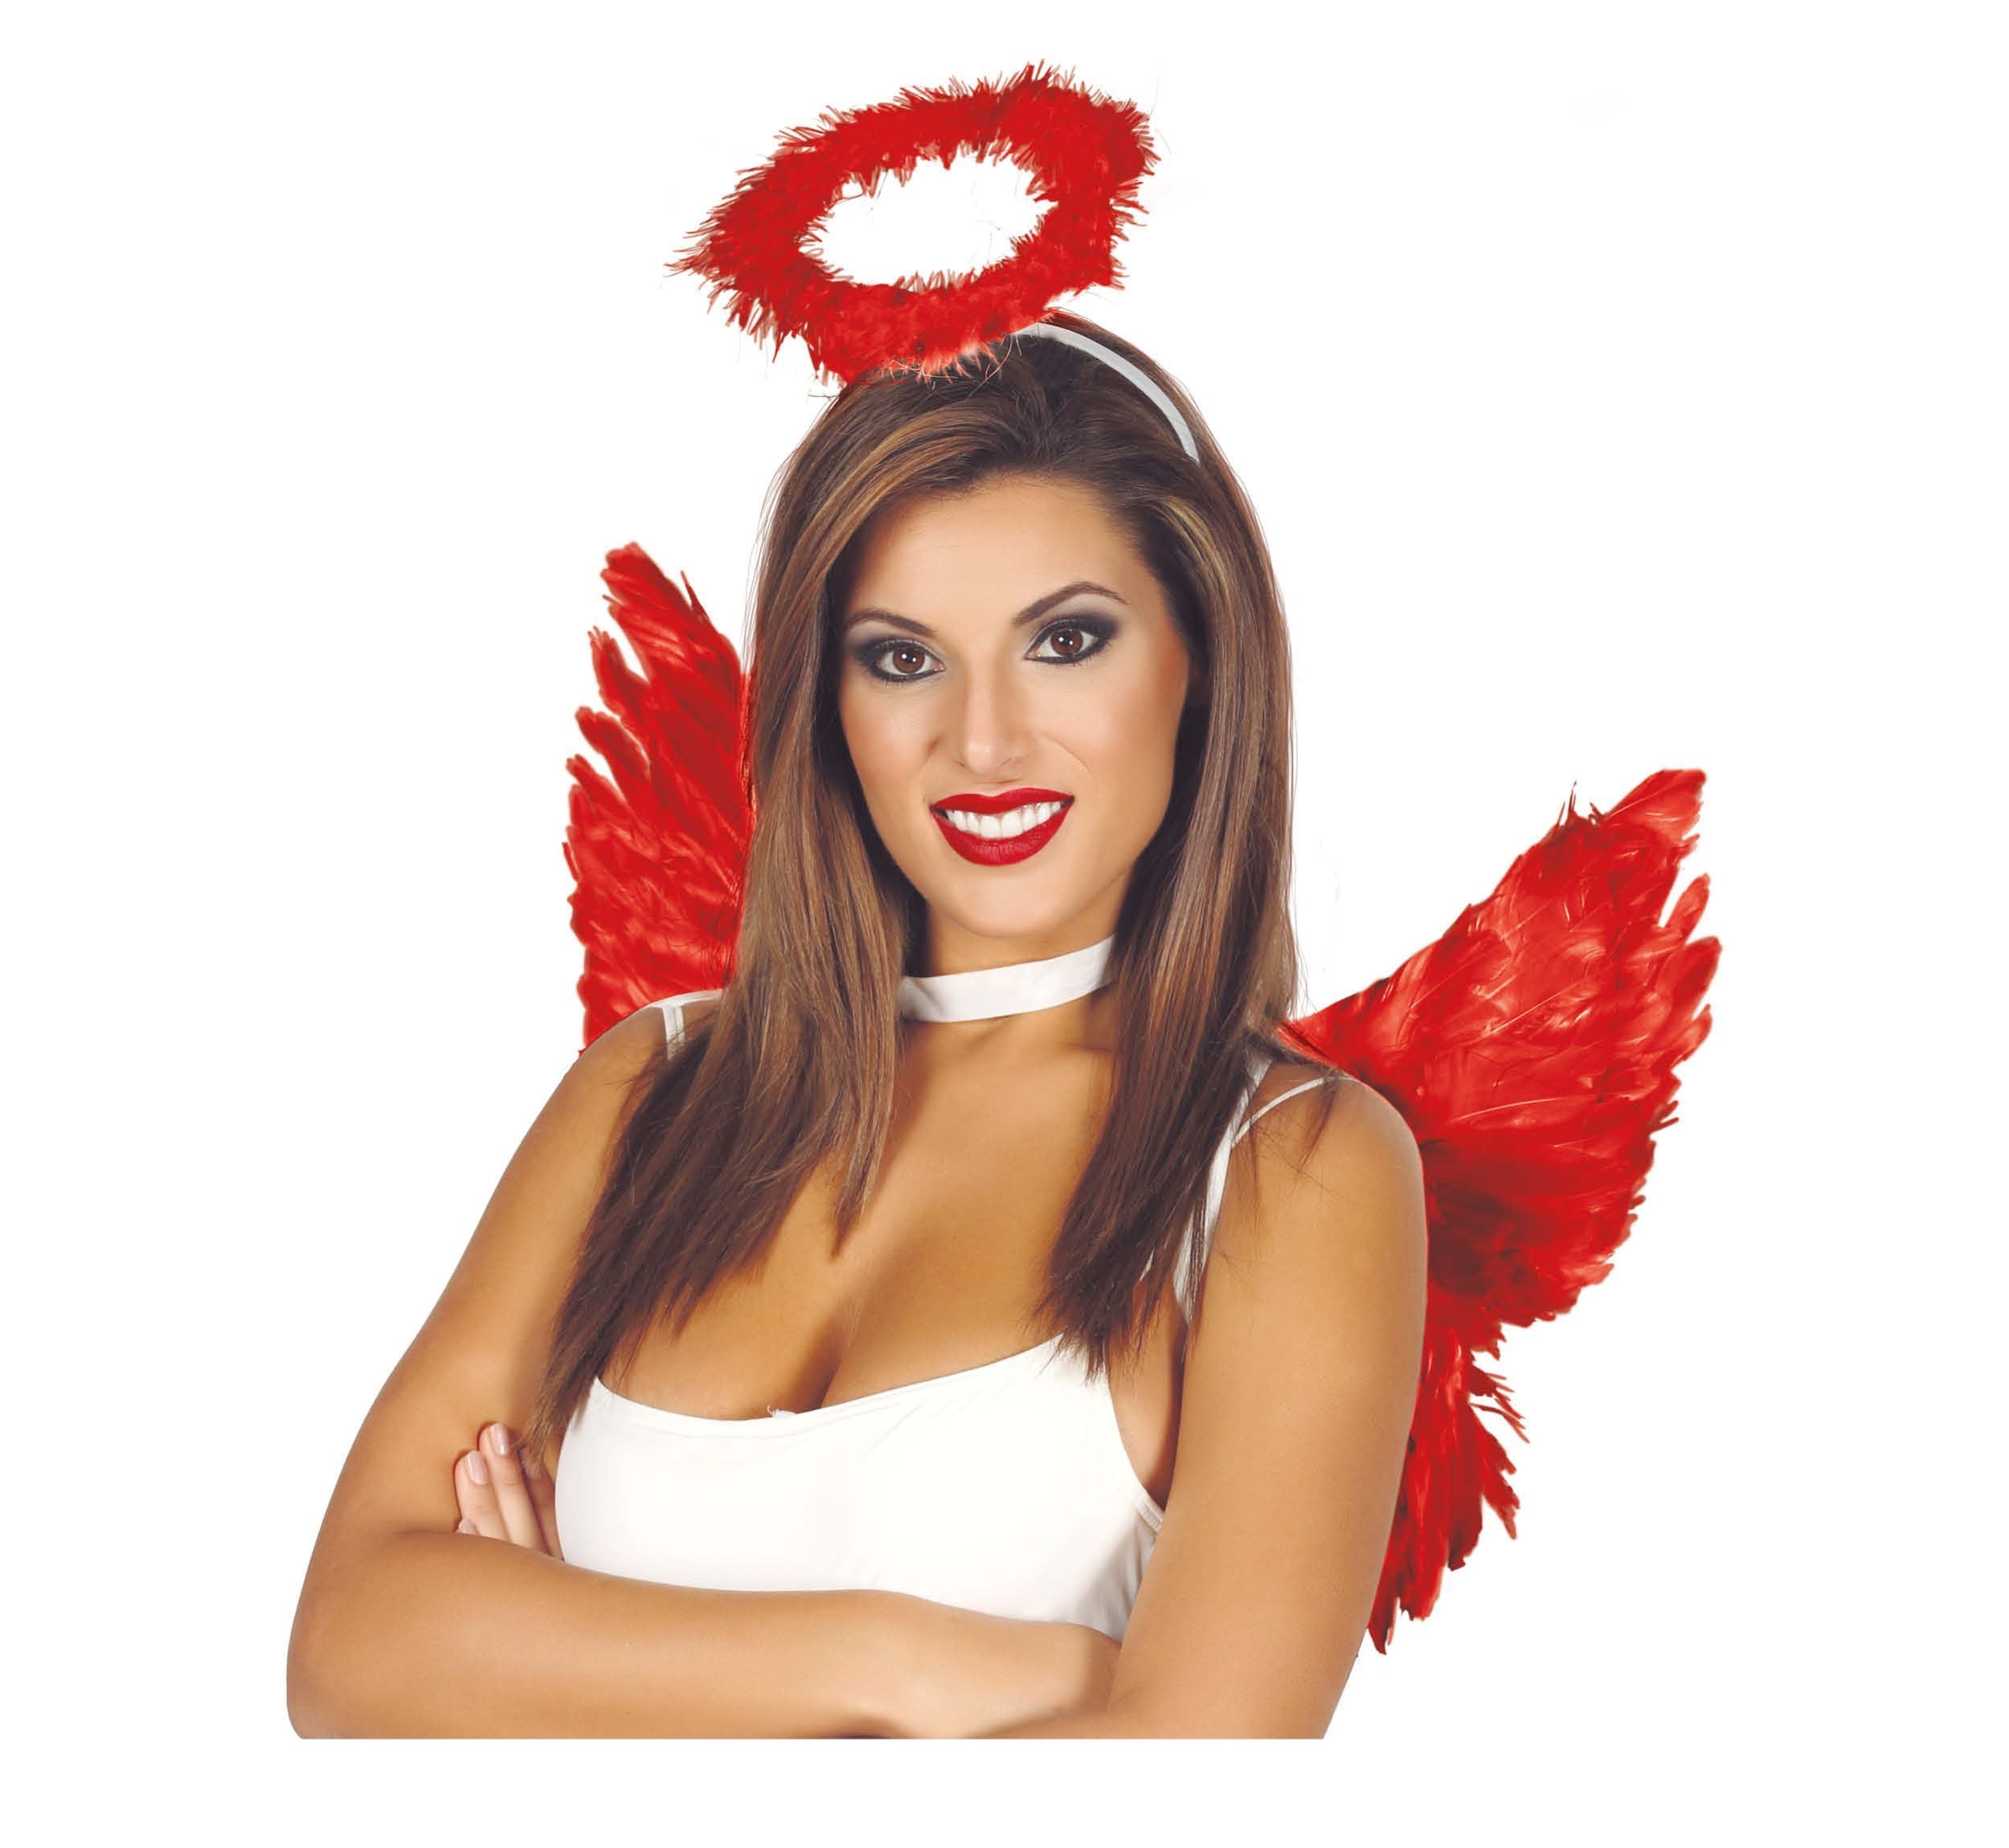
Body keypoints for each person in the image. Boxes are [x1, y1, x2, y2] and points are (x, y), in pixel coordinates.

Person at [285, 313, 1431, 1738]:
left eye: (1066, 641)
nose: (984, 742)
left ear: (1201, 660)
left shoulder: (1293, 1169)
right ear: (825, 701)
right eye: (901, 659)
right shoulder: (653, 1088)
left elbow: (1187, 1782)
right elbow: (345, 1647)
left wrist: (552, 1652)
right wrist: (919, 1666)